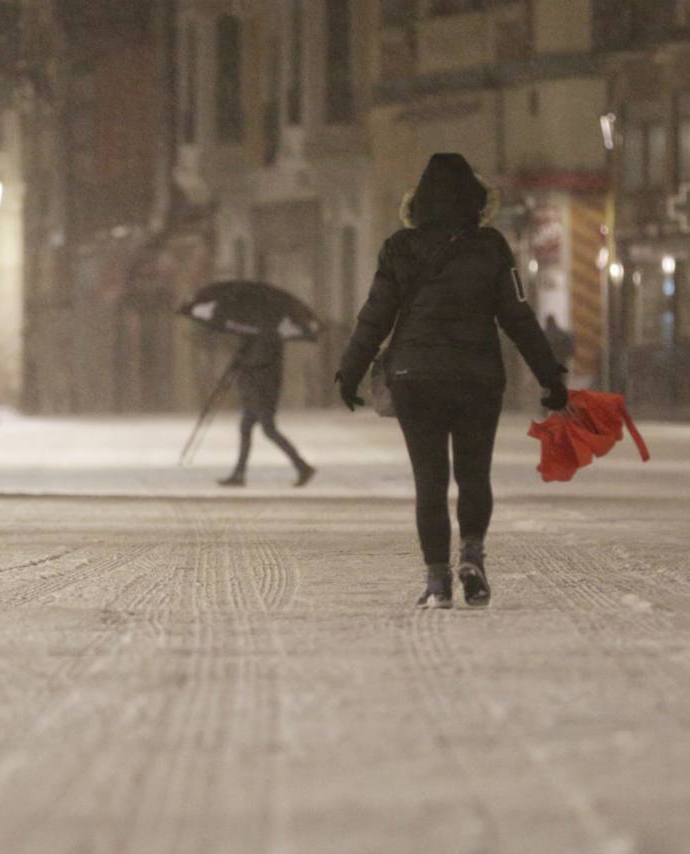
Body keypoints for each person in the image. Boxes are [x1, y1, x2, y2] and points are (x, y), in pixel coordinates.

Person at [336, 152, 567, 609]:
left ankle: (438, 582)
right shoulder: (492, 248)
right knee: (474, 474)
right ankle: (473, 557)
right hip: (476, 376)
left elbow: (374, 317)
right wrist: (550, 376)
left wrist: (351, 370)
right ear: (475, 201)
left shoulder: (399, 248)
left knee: (430, 480)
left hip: (414, 377)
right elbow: (518, 318)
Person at [219, 331, 316, 488]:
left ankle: (302, 466)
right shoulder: (254, 335)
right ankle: (239, 473)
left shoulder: (270, 337)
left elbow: (260, 363)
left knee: (269, 430)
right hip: (255, 392)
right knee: (247, 428)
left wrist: (241, 360)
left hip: (263, 393)